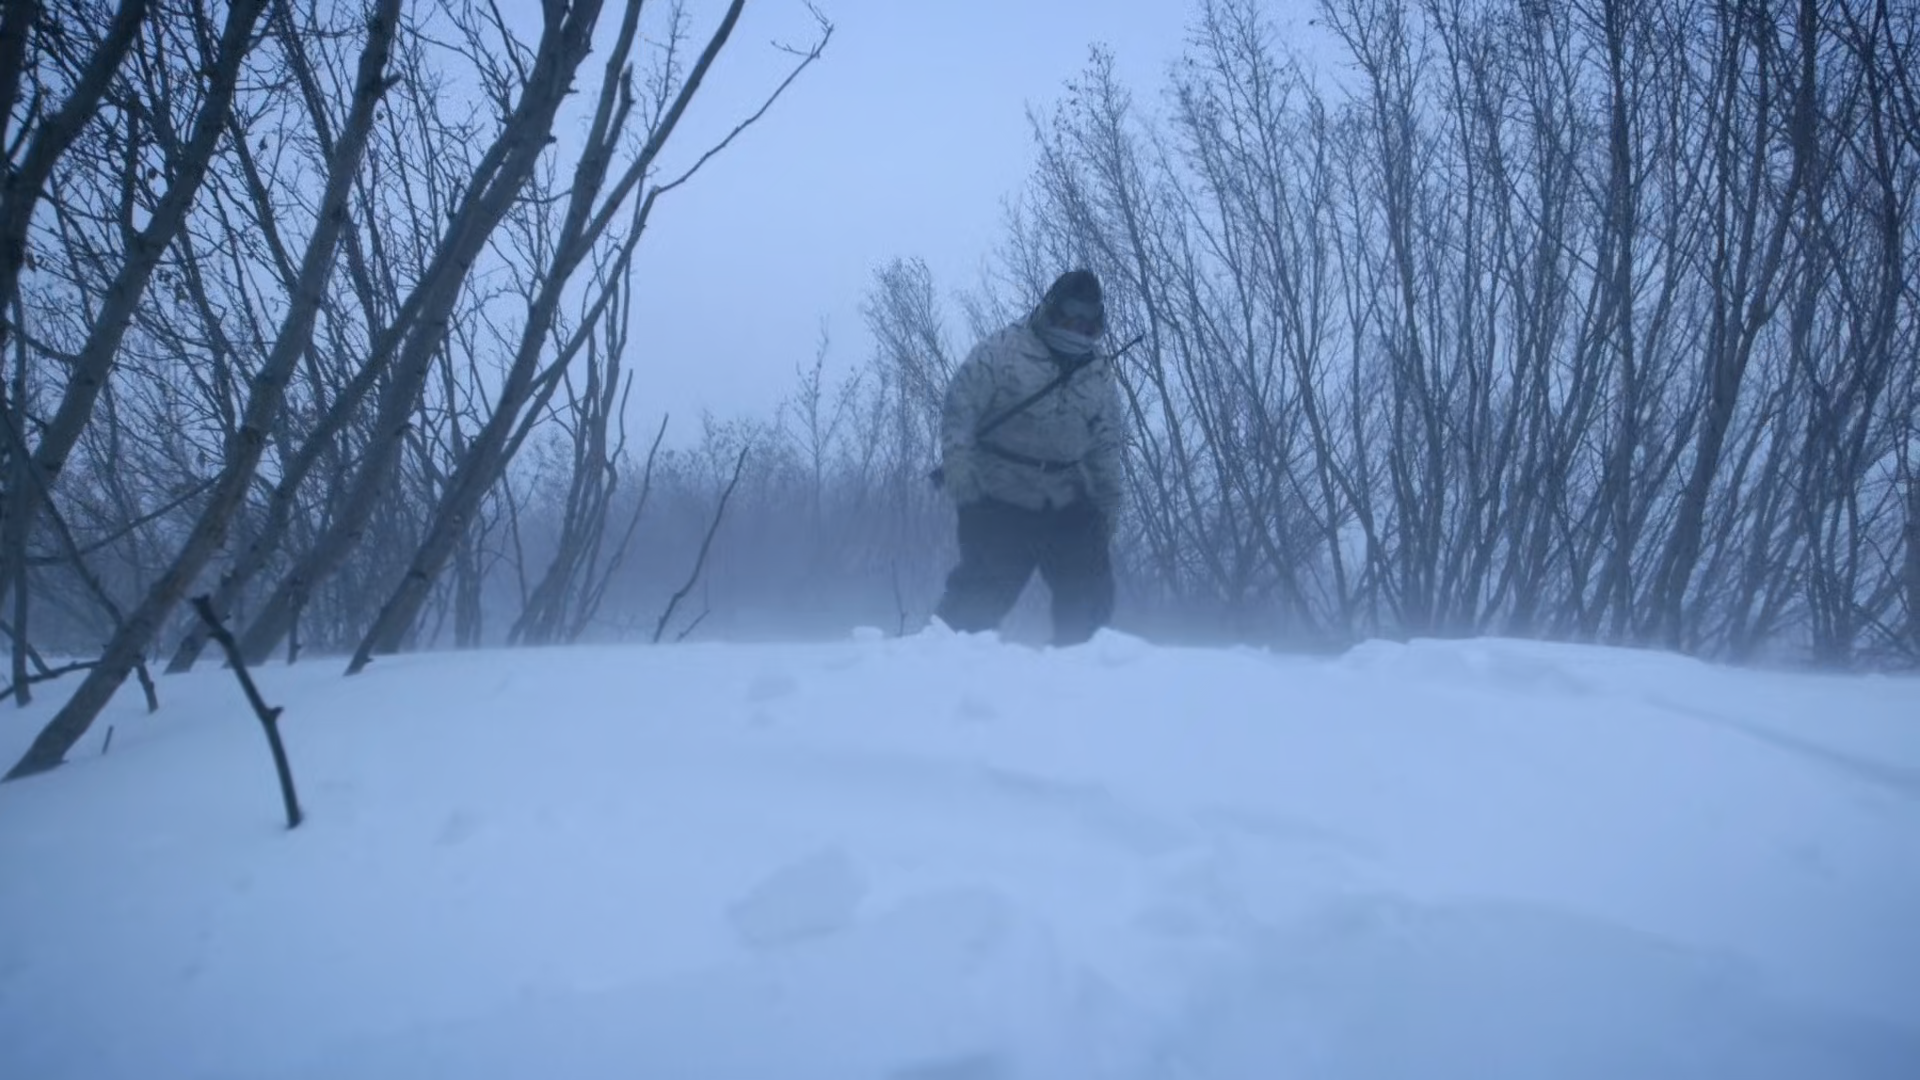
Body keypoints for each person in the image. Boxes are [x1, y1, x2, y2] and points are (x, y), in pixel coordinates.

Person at [932, 269, 1126, 646]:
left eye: (1089, 316)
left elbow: (1105, 445)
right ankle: (939, 664)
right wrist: (961, 477)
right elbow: (960, 410)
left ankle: (1085, 671)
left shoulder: (1098, 372)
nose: (1079, 324)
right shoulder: (1002, 350)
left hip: (1068, 498)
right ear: (1053, 308)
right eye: (1072, 313)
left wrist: (1109, 507)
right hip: (998, 495)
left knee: (1090, 601)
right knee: (976, 604)